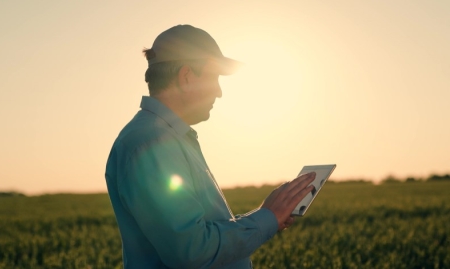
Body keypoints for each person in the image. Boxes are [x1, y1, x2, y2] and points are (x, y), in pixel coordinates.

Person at [105, 25, 316, 269]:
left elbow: (196, 233)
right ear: (186, 77)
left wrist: (268, 214)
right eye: (214, 77)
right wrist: (266, 219)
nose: (219, 92)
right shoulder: (152, 143)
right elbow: (192, 250)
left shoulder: (165, 137)